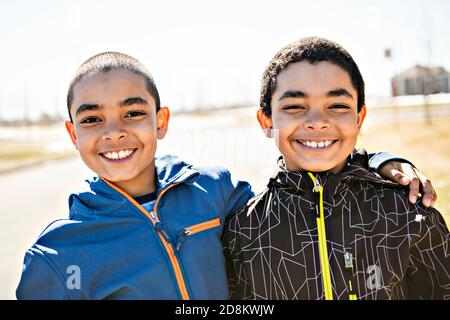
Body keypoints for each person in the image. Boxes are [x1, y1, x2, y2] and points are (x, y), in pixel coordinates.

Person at [16, 51, 435, 300]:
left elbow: (303, 189)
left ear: (160, 121)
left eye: (133, 113)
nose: (115, 132)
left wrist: (376, 161)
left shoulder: (213, 191)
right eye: (92, 119)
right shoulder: (57, 255)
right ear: (72, 132)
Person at [223, 37, 449, 300]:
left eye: (338, 106)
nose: (318, 122)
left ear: (359, 118)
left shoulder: (408, 212)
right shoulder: (244, 229)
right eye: (294, 106)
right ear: (266, 120)